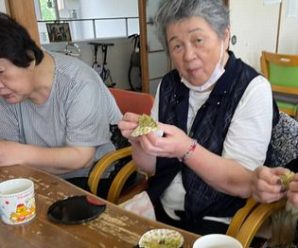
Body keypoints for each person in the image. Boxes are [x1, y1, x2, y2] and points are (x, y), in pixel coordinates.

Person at [118, 0, 277, 235]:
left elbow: (242, 182)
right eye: (177, 46)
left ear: (224, 35)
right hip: (161, 206)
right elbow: (150, 165)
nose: (189, 56)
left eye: (198, 40)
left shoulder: (252, 88)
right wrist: (139, 139)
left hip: (219, 218)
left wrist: (186, 148)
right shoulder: (169, 86)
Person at [0, 13, 122, 192]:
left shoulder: (78, 83)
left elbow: (82, 158)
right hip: (42, 175)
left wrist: (19, 153)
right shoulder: (8, 92)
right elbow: (7, 152)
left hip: (95, 174)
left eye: (0, 72)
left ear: (29, 58)